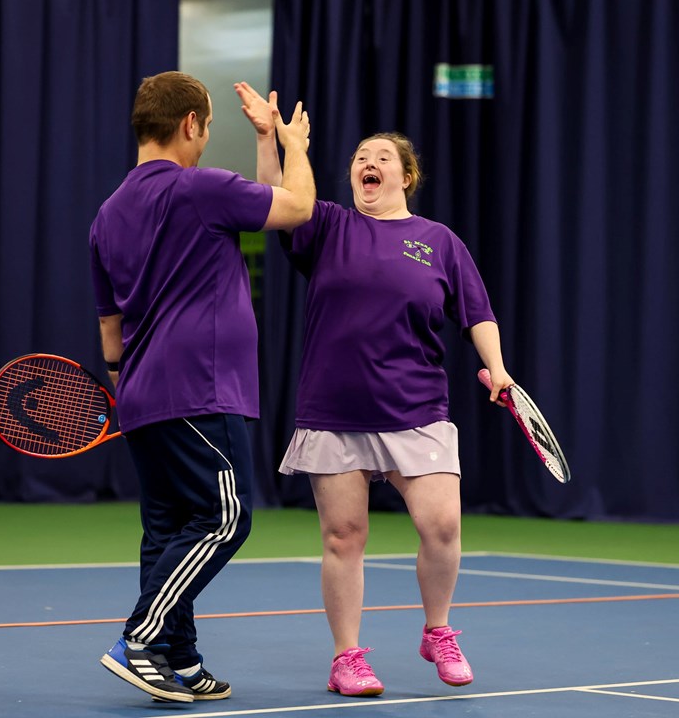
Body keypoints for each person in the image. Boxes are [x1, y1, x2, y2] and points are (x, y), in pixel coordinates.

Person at [236, 85, 513, 697]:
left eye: (384, 156)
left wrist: (497, 368)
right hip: (335, 409)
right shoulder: (330, 225)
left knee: (441, 526)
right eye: (363, 155)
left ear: (405, 175)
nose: (370, 162)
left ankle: (438, 631)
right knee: (343, 537)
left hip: (416, 407)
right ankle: (347, 658)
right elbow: (276, 200)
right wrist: (271, 140)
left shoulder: (440, 241)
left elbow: (478, 314)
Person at [89, 71, 315, 703]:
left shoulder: (107, 215)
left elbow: (112, 332)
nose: (208, 137)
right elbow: (295, 208)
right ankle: (139, 637)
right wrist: (291, 144)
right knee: (226, 515)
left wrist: (121, 386)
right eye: (209, 125)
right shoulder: (200, 190)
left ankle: (177, 659)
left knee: (168, 529)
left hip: (141, 394)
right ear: (190, 124)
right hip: (200, 390)